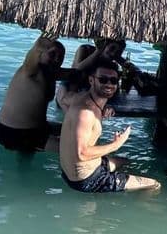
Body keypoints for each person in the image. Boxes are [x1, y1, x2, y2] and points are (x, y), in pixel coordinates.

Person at [59, 60, 160, 193]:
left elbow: (62, 99)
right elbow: (82, 154)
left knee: (125, 162)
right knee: (153, 184)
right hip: (87, 180)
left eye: (113, 80)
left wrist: (102, 108)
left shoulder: (82, 99)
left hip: (82, 169)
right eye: (103, 79)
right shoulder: (85, 113)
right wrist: (116, 145)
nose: (109, 84)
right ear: (91, 80)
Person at [0, 35, 66, 153]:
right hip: (15, 133)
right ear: (40, 54)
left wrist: (98, 52)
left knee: (74, 129)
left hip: (38, 128)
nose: (56, 59)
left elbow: (79, 73)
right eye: (52, 54)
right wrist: (39, 45)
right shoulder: (30, 71)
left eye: (61, 57)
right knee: (72, 148)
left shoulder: (50, 72)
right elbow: (31, 58)